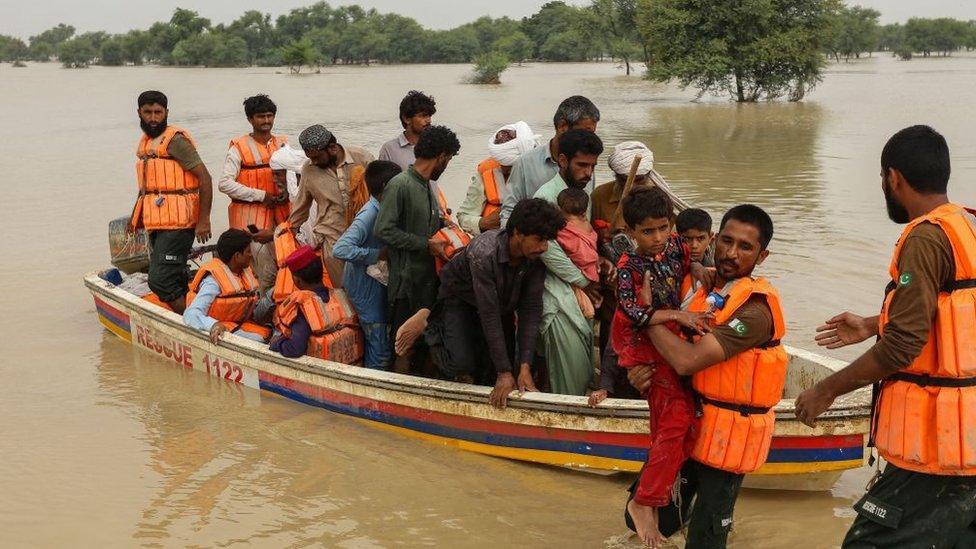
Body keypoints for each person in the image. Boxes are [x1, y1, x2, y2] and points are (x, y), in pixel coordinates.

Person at [795, 125, 976, 548]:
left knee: (866, 543)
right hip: (968, 442)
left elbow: (903, 345)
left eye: (881, 179)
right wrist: (873, 323)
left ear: (893, 177)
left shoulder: (926, 237)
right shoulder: (967, 225)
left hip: (937, 451)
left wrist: (826, 389)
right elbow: (956, 310)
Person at [625, 204, 787, 548]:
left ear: (763, 255)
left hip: (728, 437)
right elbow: (671, 350)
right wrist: (643, 375)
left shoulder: (755, 310)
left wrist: (646, 315)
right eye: (726, 241)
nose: (731, 253)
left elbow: (686, 361)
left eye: (745, 247)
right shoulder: (704, 284)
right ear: (715, 240)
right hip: (691, 424)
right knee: (651, 516)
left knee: (706, 539)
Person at [606, 186, 713, 545]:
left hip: (670, 344)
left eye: (663, 228)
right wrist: (677, 315)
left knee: (683, 427)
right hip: (647, 350)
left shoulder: (677, 248)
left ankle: (657, 499)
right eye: (647, 231)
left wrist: (697, 265)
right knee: (677, 422)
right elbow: (633, 313)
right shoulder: (628, 267)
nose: (657, 238)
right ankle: (643, 503)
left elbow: (690, 259)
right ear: (632, 232)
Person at [398, 198, 565, 408]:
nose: (544, 247)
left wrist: (524, 368)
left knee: (497, 369)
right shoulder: (484, 252)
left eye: (547, 241)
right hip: (460, 298)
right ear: (518, 233)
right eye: (539, 239)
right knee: (462, 362)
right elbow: (489, 313)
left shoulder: (535, 258)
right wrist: (504, 374)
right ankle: (428, 330)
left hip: (501, 302)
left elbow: (530, 311)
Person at [374, 125, 461, 372]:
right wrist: (425, 243)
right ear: (442, 157)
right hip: (405, 284)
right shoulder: (400, 184)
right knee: (404, 345)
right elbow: (384, 230)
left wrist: (445, 224)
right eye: (449, 160)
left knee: (425, 343)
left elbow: (426, 223)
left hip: (427, 281)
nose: (447, 166)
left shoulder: (426, 186)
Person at [532, 129, 603, 396]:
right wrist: (583, 280)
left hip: (579, 291)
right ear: (562, 161)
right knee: (568, 365)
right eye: (582, 165)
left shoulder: (581, 194)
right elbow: (546, 249)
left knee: (581, 364)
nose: (588, 173)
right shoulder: (546, 197)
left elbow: (586, 239)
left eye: (593, 166)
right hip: (554, 291)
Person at [130, 90, 213, 314]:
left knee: (159, 280)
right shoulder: (148, 143)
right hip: (159, 223)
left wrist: (203, 220)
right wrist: (134, 218)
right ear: (139, 112)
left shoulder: (175, 141)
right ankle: (189, 316)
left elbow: (205, 177)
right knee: (174, 277)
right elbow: (149, 187)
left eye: (158, 112)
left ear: (167, 112)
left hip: (179, 224)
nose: (153, 118)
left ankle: (196, 321)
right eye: (148, 112)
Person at [332, 160, 403, 370]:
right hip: (365, 287)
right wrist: (376, 254)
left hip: (374, 283)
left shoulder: (382, 207)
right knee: (379, 344)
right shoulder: (369, 214)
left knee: (379, 339)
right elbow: (340, 249)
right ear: (384, 189)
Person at [288, 124, 374, 286]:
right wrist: (287, 232)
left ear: (332, 148)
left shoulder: (361, 158)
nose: (313, 162)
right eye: (310, 157)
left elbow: (382, 192)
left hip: (366, 236)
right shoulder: (309, 169)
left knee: (371, 288)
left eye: (316, 157)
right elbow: (300, 207)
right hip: (333, 241)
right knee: (343, 291)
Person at [501, 96, 601, 224]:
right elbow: (509, 212)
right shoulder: (525, 163)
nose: (588, 139)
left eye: (592, 134)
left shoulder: (587, 167)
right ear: (562, 126)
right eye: (584, 132)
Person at [270, 245, 363, 364]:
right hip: (352, 367)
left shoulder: (303, 307)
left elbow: (295, 348)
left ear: (297, 280)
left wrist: (277, 343)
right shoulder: (341, 296)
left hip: (322, 374)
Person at [184, 229, 270, 343]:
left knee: (273, 294)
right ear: (237, 256)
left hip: (241, 320)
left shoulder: (243, 272)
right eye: (248, 251)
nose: (251, 255)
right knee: (259, 340)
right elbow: (191, 314)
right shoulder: (213, 282)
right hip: (225, 327)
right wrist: (214, 325)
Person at [456, 121, 541, 235]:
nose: (511, 174)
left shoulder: (547, 170)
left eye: (515, 168)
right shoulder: (486, 174)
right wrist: (484, 223)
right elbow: (464, 216)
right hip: (495, 242)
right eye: (506, 169)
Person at [218, 94, 288, 233]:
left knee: (286, 252)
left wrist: (287, 191)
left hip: (281, 214)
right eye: (261, 117)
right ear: (250, 119)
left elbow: (296, 177)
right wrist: (261, 196)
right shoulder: (238, 147)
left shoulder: (283, 144)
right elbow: (224, 184)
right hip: (250, 217)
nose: (267, 120)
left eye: (270, 116)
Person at [555, 187, 600, 318]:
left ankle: (590, 310)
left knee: (580, 296)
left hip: (583, 270)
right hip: (592, 270)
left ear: (560, 209)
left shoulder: (564, 228)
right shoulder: (587, 224)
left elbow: (582, 256)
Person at [378, 90, 436, 171]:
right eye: (423, 116)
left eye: (429, 116)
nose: (428, 120)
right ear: (406, 119)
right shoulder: (389, 149)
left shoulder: (434, 146)